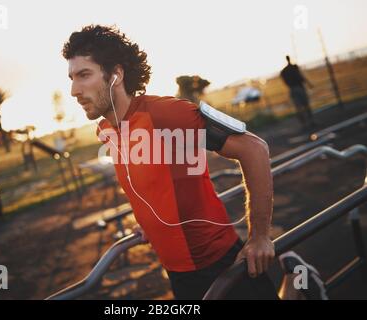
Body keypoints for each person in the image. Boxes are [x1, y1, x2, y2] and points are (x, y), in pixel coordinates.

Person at [62, 25, 327, 300]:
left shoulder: (165, 114)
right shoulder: (107, 130)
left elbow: (255, 149)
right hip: (176, 272)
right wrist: (152, 223)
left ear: (115, 75)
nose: (73, 90)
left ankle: (297, 280)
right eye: (71, 77)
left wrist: (260, 236)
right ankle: (295, 279)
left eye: (84, 75)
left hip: (217, 262)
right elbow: (151, 184)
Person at [280, 55, 316, 128]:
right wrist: (309, 84)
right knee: (305, 105)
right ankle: (310, 121)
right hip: (299, 88)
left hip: (292, 89)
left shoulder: (284, 71)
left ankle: (304, 124)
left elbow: (284, 80)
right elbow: (301, 76)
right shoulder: (294, 67)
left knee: (298, 107)